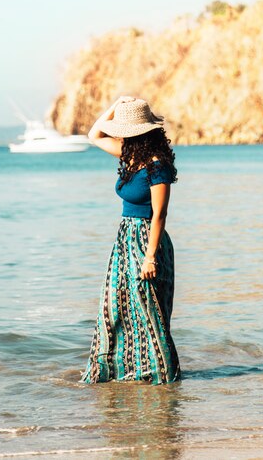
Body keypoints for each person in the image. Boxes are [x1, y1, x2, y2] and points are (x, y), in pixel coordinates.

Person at [81, 96, 181, 385]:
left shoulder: (157, 166)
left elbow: (160, 214)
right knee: (113, 306)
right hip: (124, 240)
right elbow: (94, 134)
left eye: (125, 127)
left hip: (147, 240)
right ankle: (118, 371)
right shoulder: (128, 155)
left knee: (147, 308)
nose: (120, 132)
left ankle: (162, 375)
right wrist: (114, 105)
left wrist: (150, 256)